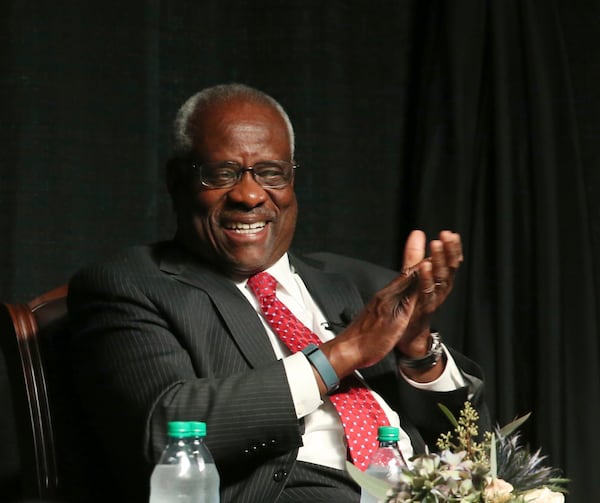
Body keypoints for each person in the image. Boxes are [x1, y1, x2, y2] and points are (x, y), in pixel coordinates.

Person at [68, 83, 489, 503]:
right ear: (177, 182)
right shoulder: (130, 284)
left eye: (271, 173)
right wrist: (344, 352)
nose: (250, 195)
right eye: (221, 173)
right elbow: (166, 430)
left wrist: (419, 355)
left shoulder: (364, 285)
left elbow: (472, 452)